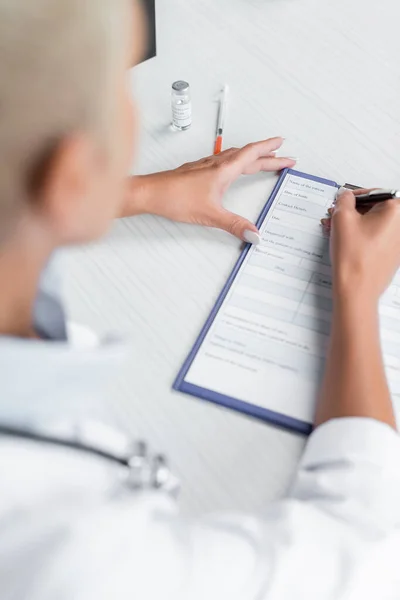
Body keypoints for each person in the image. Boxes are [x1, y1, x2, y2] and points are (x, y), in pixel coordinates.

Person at [1, 1, 400, 599]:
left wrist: (127, 191)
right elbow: (364, 551)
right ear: (71, 170)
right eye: (118, 86)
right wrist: (357, 287)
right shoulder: (73, 553)